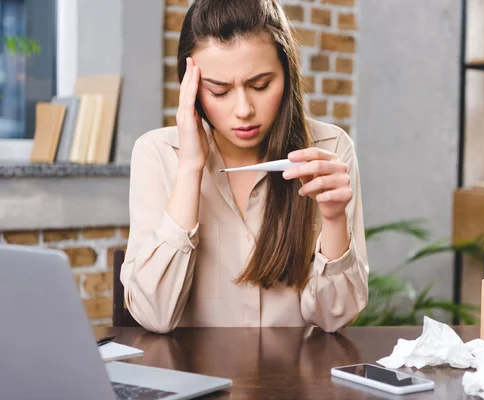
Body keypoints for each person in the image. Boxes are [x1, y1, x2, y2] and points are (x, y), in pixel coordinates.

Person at [121, 0, 369, 334]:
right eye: (218, 91)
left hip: (294, 382)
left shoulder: (328, 151)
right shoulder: (158, 153)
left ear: (287, 74)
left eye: (260, 85)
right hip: (198, 381)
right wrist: (190, 169)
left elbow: (334, 318)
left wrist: (335, 217)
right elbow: (155, 316)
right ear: (191, 89)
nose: (243, 110)